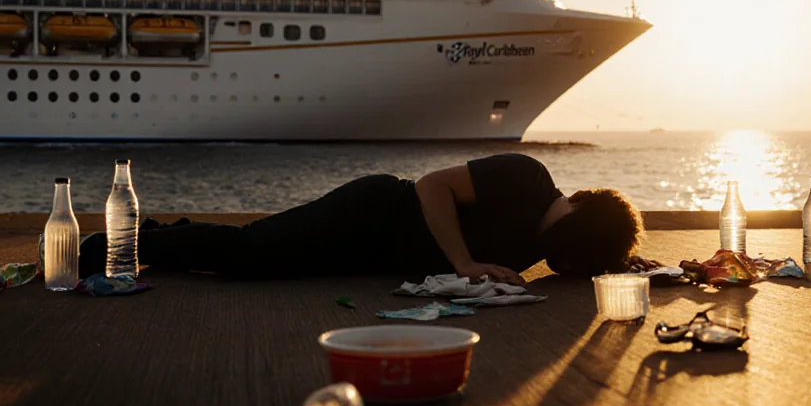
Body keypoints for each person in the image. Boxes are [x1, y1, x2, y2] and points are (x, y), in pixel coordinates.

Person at [74, 153, 641, 282]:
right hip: (372, 212)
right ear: (578, 207)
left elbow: (590, 257)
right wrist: (465, 262)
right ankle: (126, 242)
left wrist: (628, 261)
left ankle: (165, 238)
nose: (557, 259)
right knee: (252, 253)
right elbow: (432, 185)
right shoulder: (529, 178)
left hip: (375, 260)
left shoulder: (551, 244)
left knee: (264, 269)